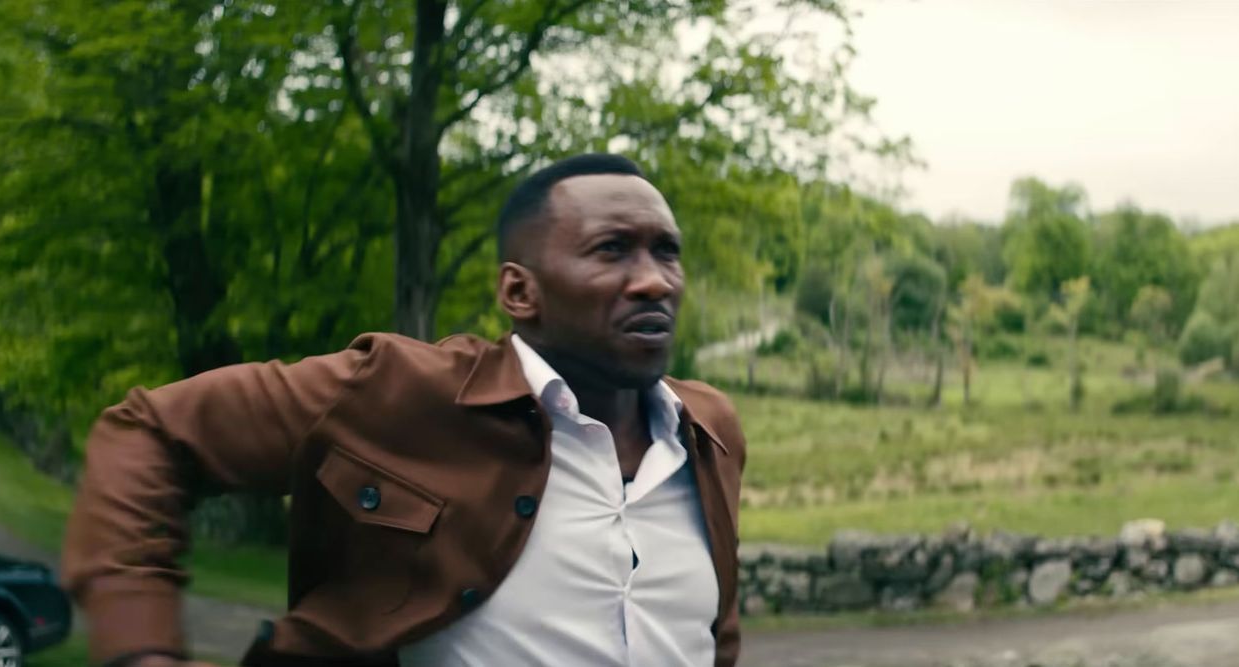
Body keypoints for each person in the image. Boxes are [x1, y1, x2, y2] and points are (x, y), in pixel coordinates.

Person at [61, 154, 747, 667]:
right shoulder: (398, 392)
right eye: (612, 249)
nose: (655, 279)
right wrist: (140, 647)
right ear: (520, 291)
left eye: (667, 250)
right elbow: (149, 431)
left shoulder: (709, 432)